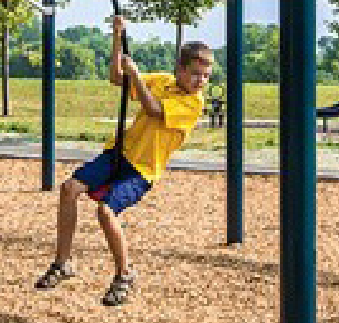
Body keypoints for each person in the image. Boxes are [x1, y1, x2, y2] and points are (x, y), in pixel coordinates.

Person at [35, 15, 214, 306]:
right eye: (196, 74)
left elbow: (154, 109)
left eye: (206, 76)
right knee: (68, 189)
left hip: (142, 170)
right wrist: (118, 37)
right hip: (119, 153)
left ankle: (124, 274)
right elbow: (117, 77)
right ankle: (62, 263)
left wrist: (137, 76)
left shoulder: (194, 103)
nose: (201, 81)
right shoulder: (163, 81)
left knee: (106, 212)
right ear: (180, 69)